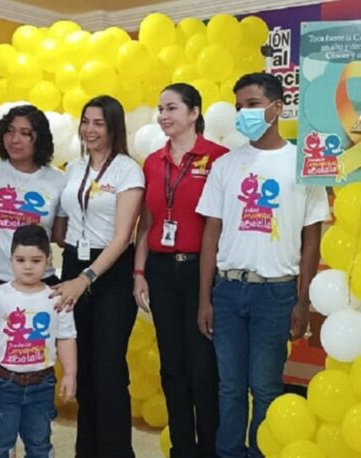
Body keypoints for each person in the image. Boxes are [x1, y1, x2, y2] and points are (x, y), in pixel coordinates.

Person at [195, 72, 329, 458]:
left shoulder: (303, 164)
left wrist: (303, 300)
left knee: (266, 387)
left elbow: (311, 240)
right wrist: (205, 298)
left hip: (277, 293)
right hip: (228, 289)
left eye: (252, 105)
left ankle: (261, 452)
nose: (244, 114)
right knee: (230, 387)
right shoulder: (225, 165)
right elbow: (210, 235)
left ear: (277, 107)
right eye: (238, 107)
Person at [133, 83, 228, 458]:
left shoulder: (219, 158)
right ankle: (182, 448)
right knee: (172, 365)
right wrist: (139, 272)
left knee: (203, 367)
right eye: (159, 109)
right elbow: (147, 220)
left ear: (194, 113)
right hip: (160, 271)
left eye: (172, 108)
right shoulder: (153, 161)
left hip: (202, 273)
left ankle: (210, 448)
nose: (163, 116)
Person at [52, 95, 144, 458]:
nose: (89, 130)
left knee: (107, 369)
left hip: (109, 274)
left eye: (98, 123)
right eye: (85, 121)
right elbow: (63, 223)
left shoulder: (127, 169)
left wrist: (85, 278)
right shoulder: (74, 168)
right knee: (83, 366)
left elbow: (123, 237)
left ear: (113, 128)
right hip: (75, 264)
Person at [0, 224, 77, 458]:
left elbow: (66, 338)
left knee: (39, 445)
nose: (28, 266)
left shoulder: (58, 297)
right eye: (20, 260)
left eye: (36, 260)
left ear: (48, 260)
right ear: (10, 259)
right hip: (2, 384)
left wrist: (70, 373)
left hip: (42, 385)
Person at [0, 104, 66, 326]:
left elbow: (57, 232)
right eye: (9, 131)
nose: (14, 139)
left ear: (39, 139)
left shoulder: (59, 180)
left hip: (40, 282)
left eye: (25, 133)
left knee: (38, 352)